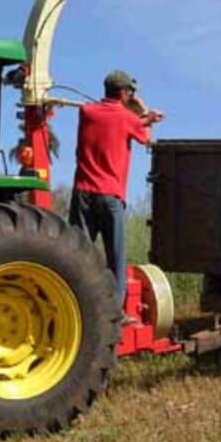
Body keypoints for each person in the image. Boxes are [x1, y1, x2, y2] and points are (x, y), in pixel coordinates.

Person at [69, 70, 164, 315]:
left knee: (76, 253)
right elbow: (147, 141)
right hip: (110, 197)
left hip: (82, 194)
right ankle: (116, 313)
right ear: (123, 92)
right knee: (116, 260)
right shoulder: (128, 118)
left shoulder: (86, 112)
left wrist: (140, 116)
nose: (131, 94)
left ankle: (73, 304)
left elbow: (107, 117)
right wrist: (144, 113)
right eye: (130, 91)